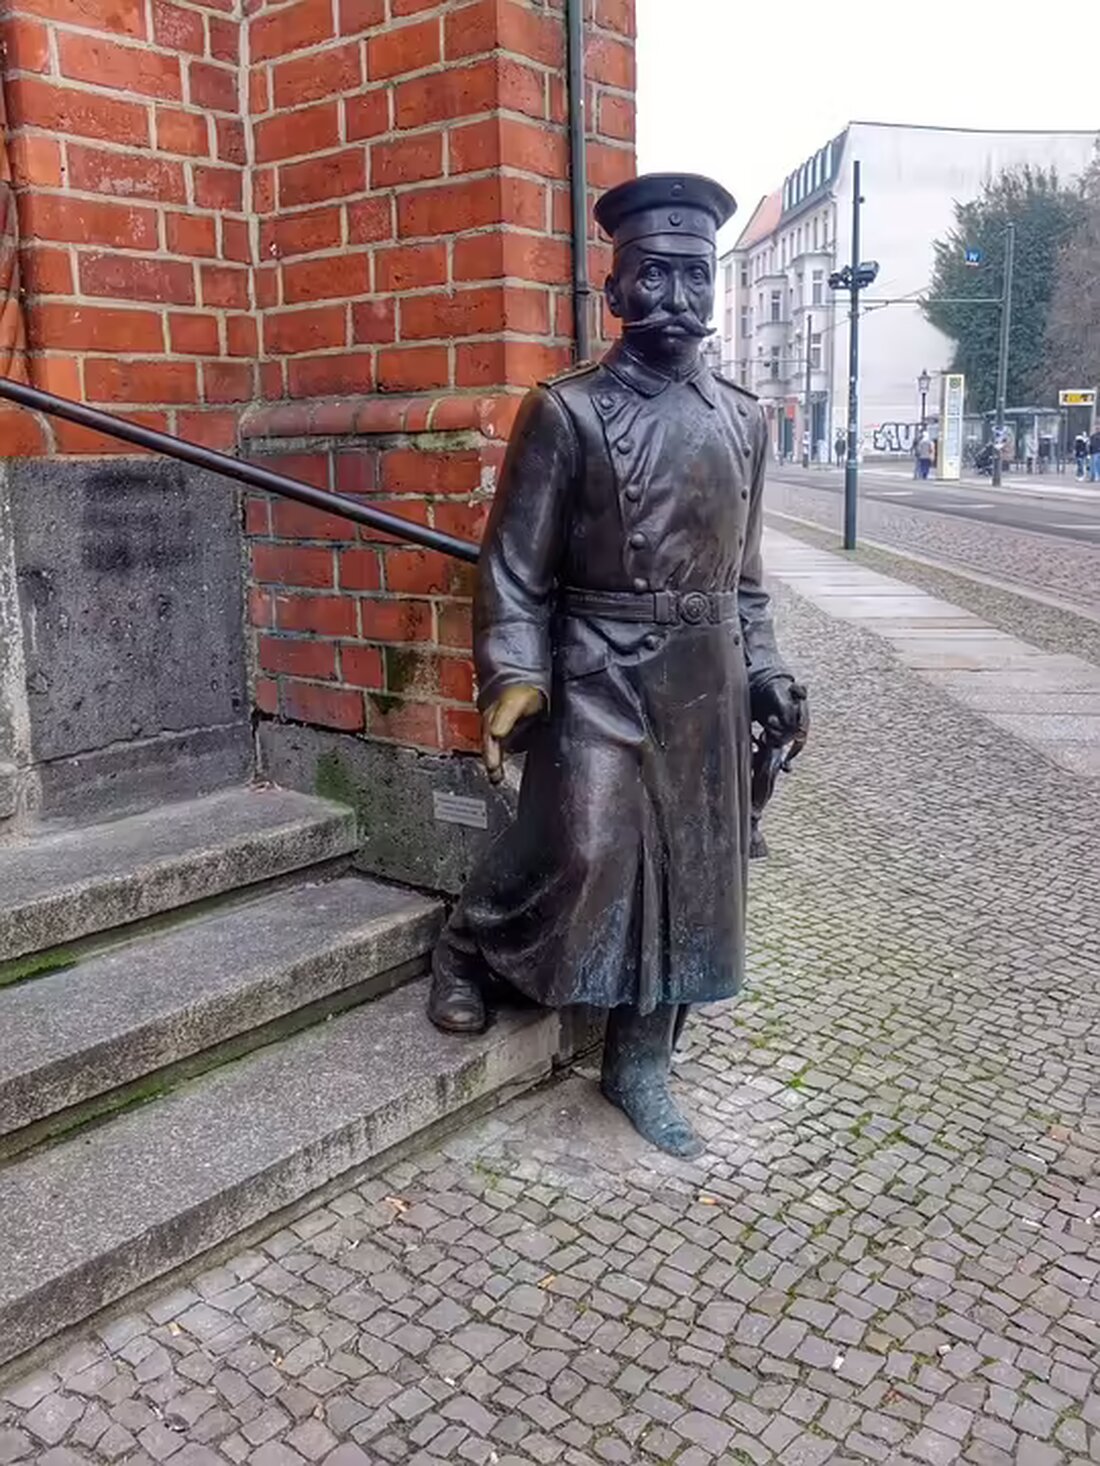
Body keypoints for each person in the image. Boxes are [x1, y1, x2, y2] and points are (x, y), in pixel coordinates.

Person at [427, 173, 809, 1159]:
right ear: (614, 291)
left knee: (696, 876)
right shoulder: (564, 412)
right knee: (583, 845)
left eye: (694, 277)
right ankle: (471, 940)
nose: (676, 298)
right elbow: (512, 567)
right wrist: (513, 676)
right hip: (596, 665)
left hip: (704, 674)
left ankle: (638, 1060)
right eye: (654, 277)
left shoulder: (741, 418)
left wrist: (764, 670)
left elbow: (748, 578)